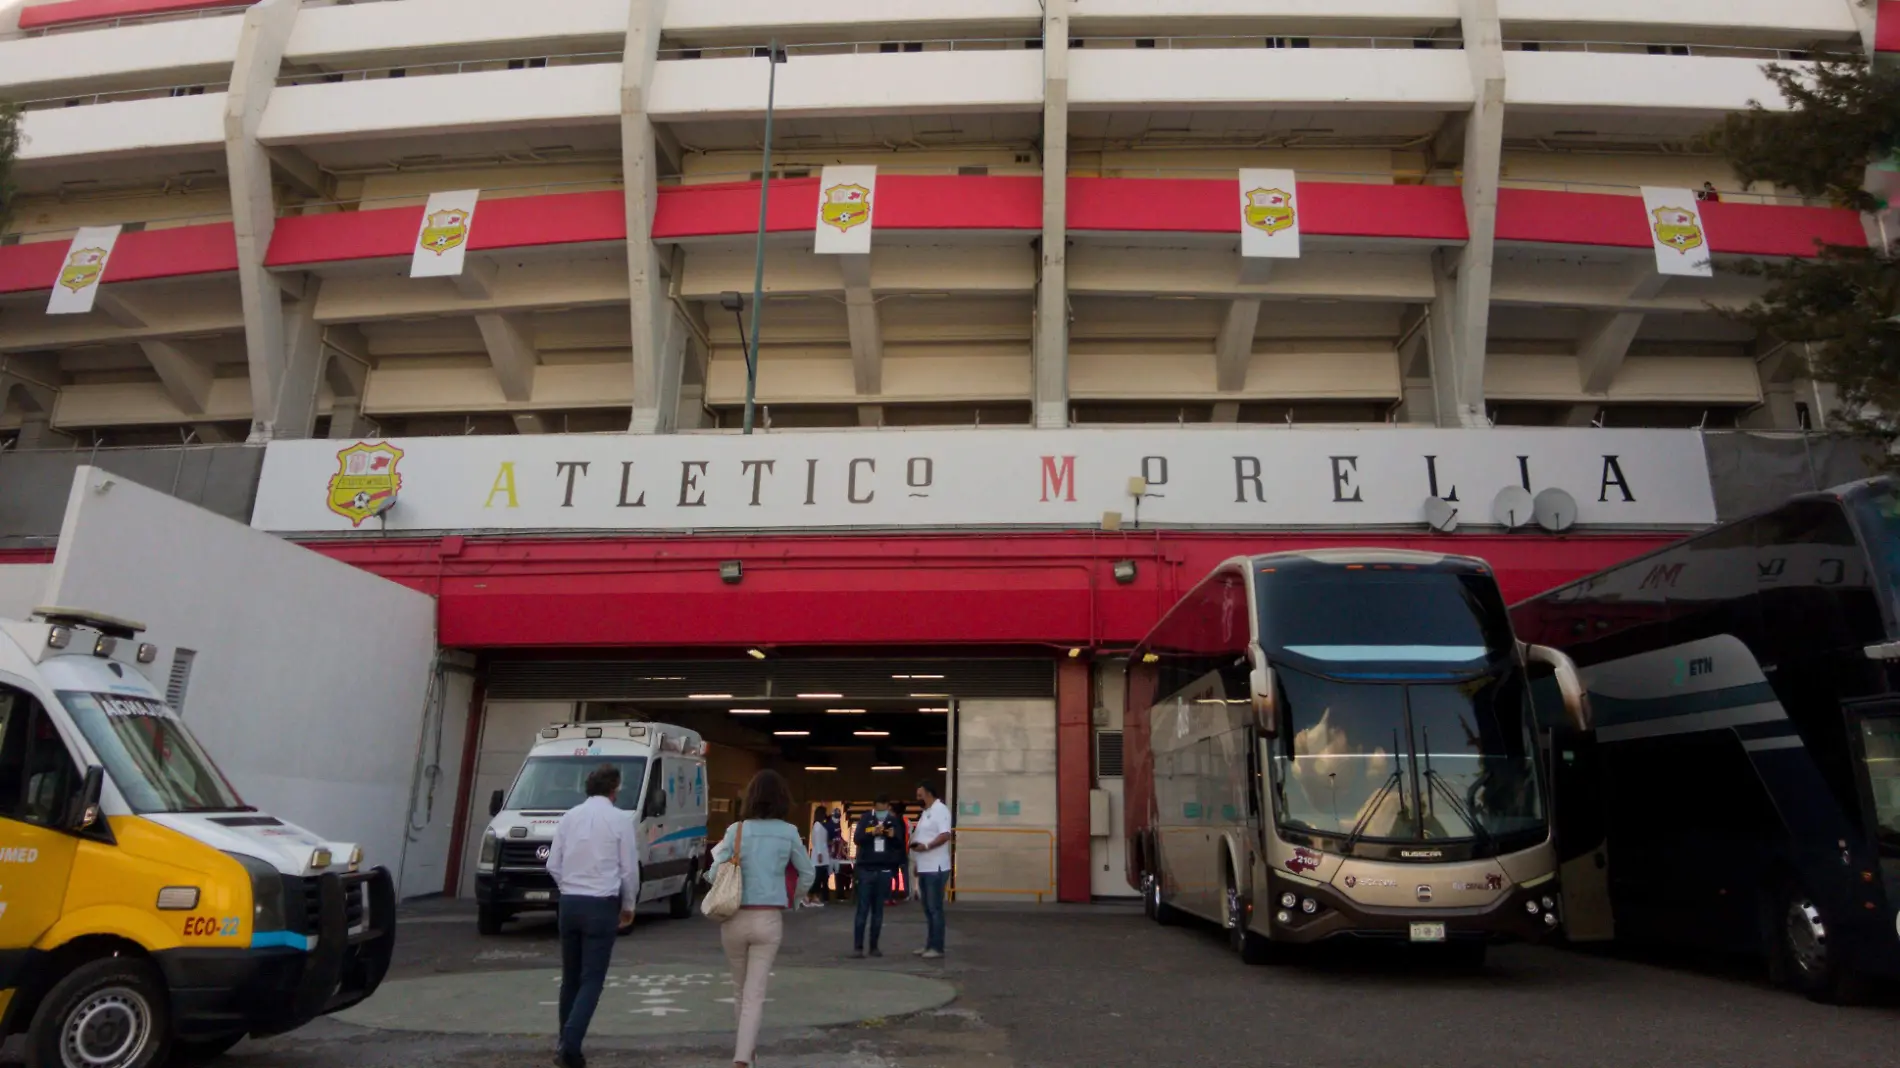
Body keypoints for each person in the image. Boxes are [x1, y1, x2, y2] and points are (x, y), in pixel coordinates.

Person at [708, 770, 813, 1068]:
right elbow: (807, 873)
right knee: (755, 992)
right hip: (769, 919)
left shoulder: (736, 831)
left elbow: (715, 873)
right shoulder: (789, 832)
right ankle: (744, 1057)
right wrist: (792, 898)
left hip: (734, 917)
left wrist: (712, 878)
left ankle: (747, 1056)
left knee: (739, 990)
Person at [546, 764, 640, 1068]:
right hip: (601, 902)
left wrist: (568, 887)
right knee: (592, 979)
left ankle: (564, 1041)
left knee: (570, 977)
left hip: (570, 901)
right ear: (615, 789)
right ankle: (571, 1043)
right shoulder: (620, 820)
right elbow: (628, 869)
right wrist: (629, 905)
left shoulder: (569, 817)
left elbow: (553, 864)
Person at [852, 794, 905, 957]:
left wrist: (892, 835)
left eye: (884, 807)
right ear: (874, 806)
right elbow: (857, 838)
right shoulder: (866, 818)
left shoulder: (893, 821)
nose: (881, 811)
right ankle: (858, 947)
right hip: (866, 869)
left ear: (888, 806)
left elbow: (900, 842)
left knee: (878, 911)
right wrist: (871, 832)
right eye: (878, 807)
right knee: (862, 910)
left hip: (884, 869)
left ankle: (874, 946)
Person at [910, 781, 953, 959]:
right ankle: (929, 944)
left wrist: (926, 846)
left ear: (928, 794)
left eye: (920, 795)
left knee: (935, 908)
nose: (918, 798)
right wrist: (917, 864)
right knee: (928, 908)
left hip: (936, 867)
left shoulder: (940, 810)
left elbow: (945, 835)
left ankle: (937, 947)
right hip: (925, 866)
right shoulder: (926, 813)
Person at [808, 805, 834, 905]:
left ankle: (815, 896)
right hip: (820, 854)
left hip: (824, 853)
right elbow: (818, 841)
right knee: (818, 877)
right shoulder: (817, 825)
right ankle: (809, 894)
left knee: (823, 877)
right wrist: (819, 853)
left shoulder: (822, 825)